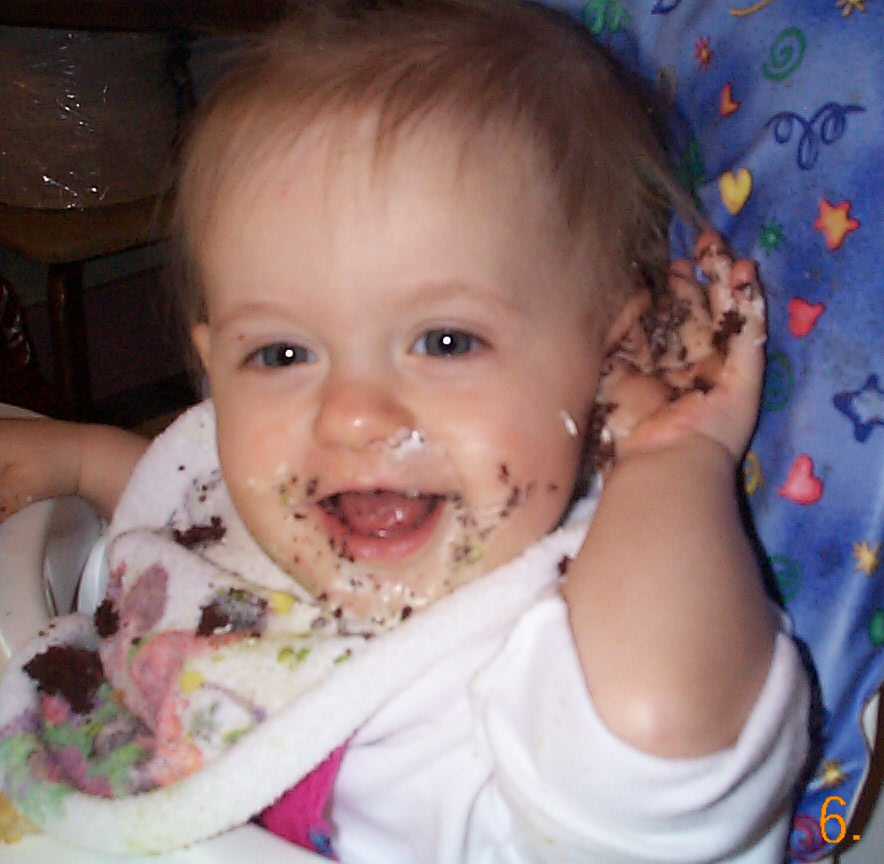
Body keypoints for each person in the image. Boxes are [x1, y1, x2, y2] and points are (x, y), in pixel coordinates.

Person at [0, 1, 810, 861]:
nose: (351, 414)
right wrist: (89, 461)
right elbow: (209, 546)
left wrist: (675, 460)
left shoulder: (574, 627)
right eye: (281, 353)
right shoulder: (331, 488)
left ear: (608, 358)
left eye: (445, 342)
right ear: (215, 366)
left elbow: (665, 736)